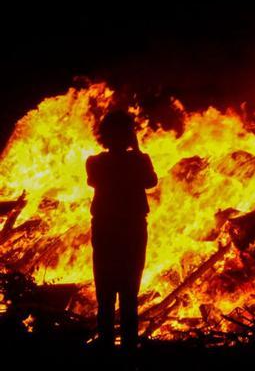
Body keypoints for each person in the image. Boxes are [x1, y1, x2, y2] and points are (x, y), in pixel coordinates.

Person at [86, 110, 158, 353]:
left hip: (107, 229)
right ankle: (128, 347)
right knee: (128, 292)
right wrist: (136, 150)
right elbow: (150, 181)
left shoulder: (95, 162)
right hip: (130, 229)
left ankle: (107, 344)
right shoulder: (138, 160)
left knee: (105, 292)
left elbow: (148, 181)